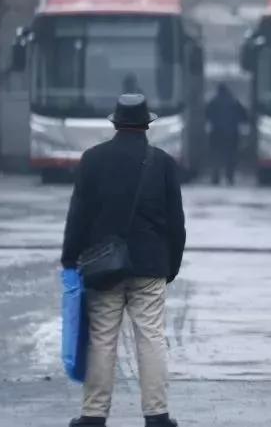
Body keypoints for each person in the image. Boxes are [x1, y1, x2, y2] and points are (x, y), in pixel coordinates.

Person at [62, 94, 186, 427]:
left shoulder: (92, 160)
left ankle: (93, 415)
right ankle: (157, 415)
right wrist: (169, 266)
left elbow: (78, 217)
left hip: (103, 268)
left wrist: (70, 260)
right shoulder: (162, 163)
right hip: (150, 265)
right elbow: (177, 223)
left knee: (102, 338)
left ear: (115, 123)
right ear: (147, 125)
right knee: (151, 337)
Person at [205, 84, 248, 186]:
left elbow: (207, 114)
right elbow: (244, 116)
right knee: (231, 156)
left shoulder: (213, 101)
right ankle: (230, 177)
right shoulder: (234, 101)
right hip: (232, 133)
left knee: (216, 155)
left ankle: (215, 177)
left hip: (217, 132)